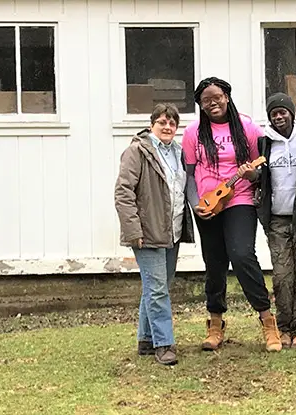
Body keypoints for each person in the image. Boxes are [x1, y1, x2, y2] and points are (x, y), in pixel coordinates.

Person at [182, 77, 282, 353]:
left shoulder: (247, 127)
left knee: (241, 254)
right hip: (208, 204)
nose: (212, 103)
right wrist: (195, 204)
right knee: (214, 264)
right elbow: (189, 175)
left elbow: (262, 168)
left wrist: (253, 174)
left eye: (216, 97)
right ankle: (215, 323)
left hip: (239, 198)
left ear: (227, 96)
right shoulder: (193, 133)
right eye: (205, 100)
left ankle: (266, 319)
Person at [114, 103, 194, 366]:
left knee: (157, 286)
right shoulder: (137, 152)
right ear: (152, 125)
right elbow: (123, 193)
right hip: (147, 232)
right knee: (158, 289)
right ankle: (164, 344)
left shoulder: (178, 153)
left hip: (171, 230)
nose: (168, 127)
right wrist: (133, 229)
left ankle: (146, 339)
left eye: (172, 123)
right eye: (162, 122)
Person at [255, 93, 296, 349]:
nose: (279, 117)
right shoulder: (264, 144)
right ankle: (284, 327)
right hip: (277, 220)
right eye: (274, 114)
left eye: (282, 112)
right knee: (282, 276)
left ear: (291, 113)